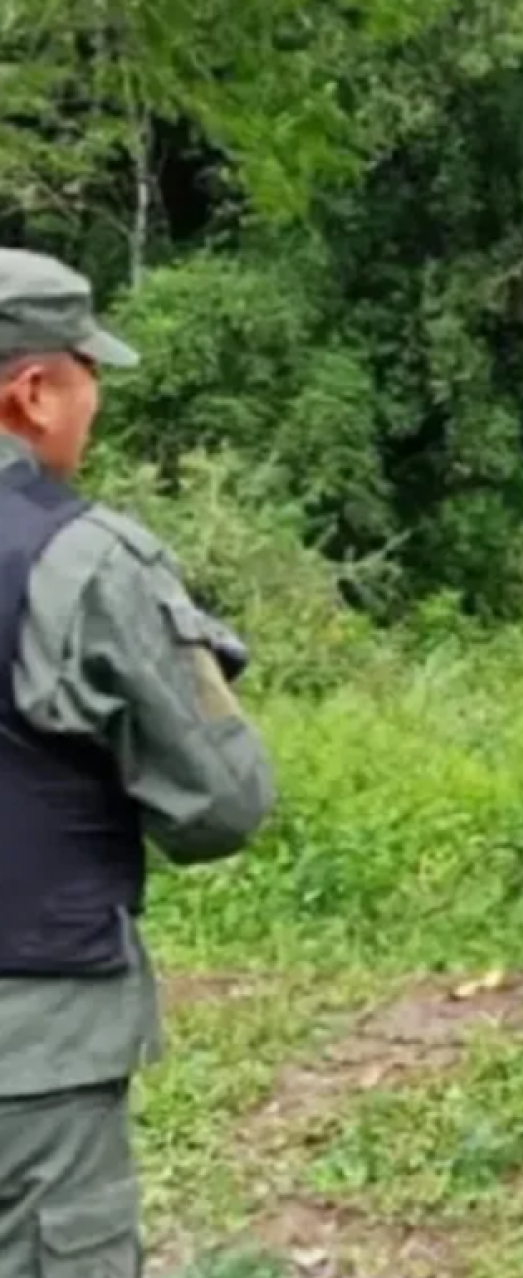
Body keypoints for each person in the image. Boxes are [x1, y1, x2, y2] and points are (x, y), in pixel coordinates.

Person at [0, 248, 277, 1276]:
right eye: (87, 375)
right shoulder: (82, 562)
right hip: (29, 1048)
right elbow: (223, 803)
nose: (95, 402)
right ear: (33, 392)